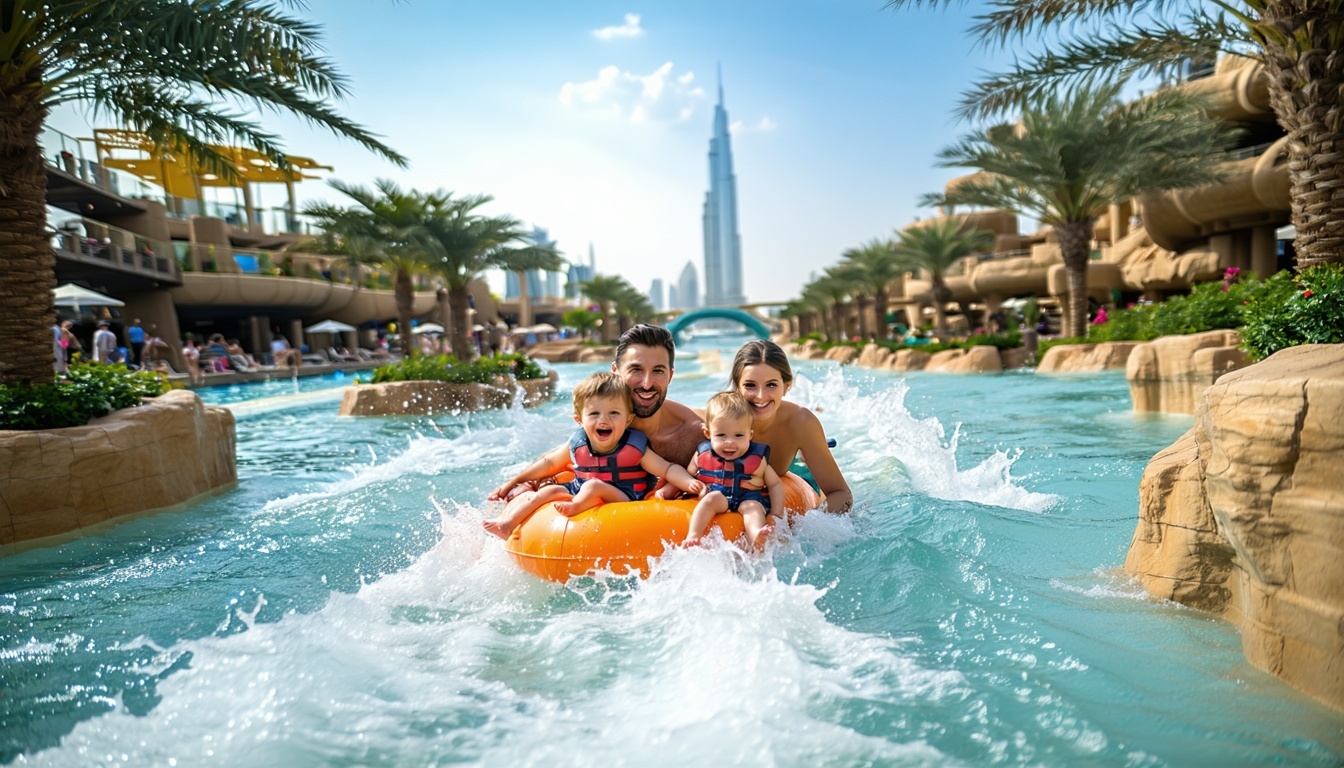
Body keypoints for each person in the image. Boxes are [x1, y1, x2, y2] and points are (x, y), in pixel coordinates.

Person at [483, 372, 703, 539]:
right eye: (594, 413)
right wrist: (514, 481)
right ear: (579, 419)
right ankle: (507, 525)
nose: (604, 420)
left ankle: (576, 507)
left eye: (614, 413)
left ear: (628, 419)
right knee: (547, 491)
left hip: (624, 496)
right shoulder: (578, 443)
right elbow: (549, 463)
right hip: (580, 489)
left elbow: (666, 468)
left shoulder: (634, 447)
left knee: (592, 486)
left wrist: (688, 482)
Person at [722, 340, 852, 514]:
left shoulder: (800, 422)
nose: (760, 396)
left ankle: (808, 452)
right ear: (737, 387)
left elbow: (841, 494)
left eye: (771, 385)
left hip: (798, 475)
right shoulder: (719, 421)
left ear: (786, 386)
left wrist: (811, 523)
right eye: (750, 385)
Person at [683, 392, 785, 549]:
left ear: (749, 435)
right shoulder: (702, 454)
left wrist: (776, 513)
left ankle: (757, 537)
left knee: (753, 508)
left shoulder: (758, 460)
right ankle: (694, 536)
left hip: (747, 497)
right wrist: (682, 487)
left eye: (738, 435)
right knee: (710, 499)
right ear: (707, 433)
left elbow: (775, 484)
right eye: (721, 435)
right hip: (719, 498)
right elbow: (687, 475)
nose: (729, 442)